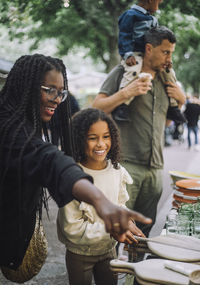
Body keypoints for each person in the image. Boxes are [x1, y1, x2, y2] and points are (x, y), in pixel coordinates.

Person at [0, 54, 152, 271]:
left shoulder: (20, 122)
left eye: (60, 93)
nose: (56, 98)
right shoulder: (8, 128)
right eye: (49, 89)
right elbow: (51, 161)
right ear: (27, 85)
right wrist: (101, 201)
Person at [93, 26, 186, 237]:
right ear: (149, 48)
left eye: (171, 52)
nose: (169, 58)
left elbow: (168, 123)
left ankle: (134, 269)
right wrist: (127, 92)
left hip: (155, 168)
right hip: (126, 164)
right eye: (165, 52)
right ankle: (112, 269)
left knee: (144, 229)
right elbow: (96, 107)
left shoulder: (167, 79)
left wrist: (180, 100)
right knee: (116, 229)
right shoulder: (125, 72)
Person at [57, 108, 145, 285]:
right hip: (80, 255)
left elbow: (120, 204)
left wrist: (127, 221)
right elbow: (71, 228)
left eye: (106, 136)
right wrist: (113, 228)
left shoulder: (117, 171)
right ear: (78, 140)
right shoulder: (72, 176)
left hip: (109, 251)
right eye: (92, 138)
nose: (101, 144)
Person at [114, 0, 186, 123]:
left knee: (170, 73)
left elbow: (158, 40)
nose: (158, 7)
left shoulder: (152, 19)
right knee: (133, 71)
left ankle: (173, 107)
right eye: (158, 2)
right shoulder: (130, 15)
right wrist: (127, 54)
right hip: (135, 53)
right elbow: (124, 36)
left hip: (149, 54)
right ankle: (123, 106)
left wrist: (164, 57)